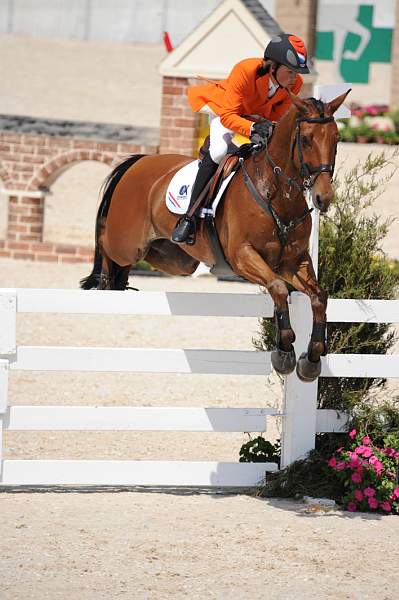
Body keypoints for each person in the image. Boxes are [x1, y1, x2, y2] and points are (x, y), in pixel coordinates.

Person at [171, 33, 309, 244]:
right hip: (226, 112)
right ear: (273, 67)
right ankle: (189, 217)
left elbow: (276, 116)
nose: (294, 79)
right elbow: (228, 115)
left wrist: (271, 129)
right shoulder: (246, 70)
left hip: (255, 117)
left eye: (296, 73)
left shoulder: (294, 84)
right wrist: (253, 128)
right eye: (290, 71)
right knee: (218, 151)